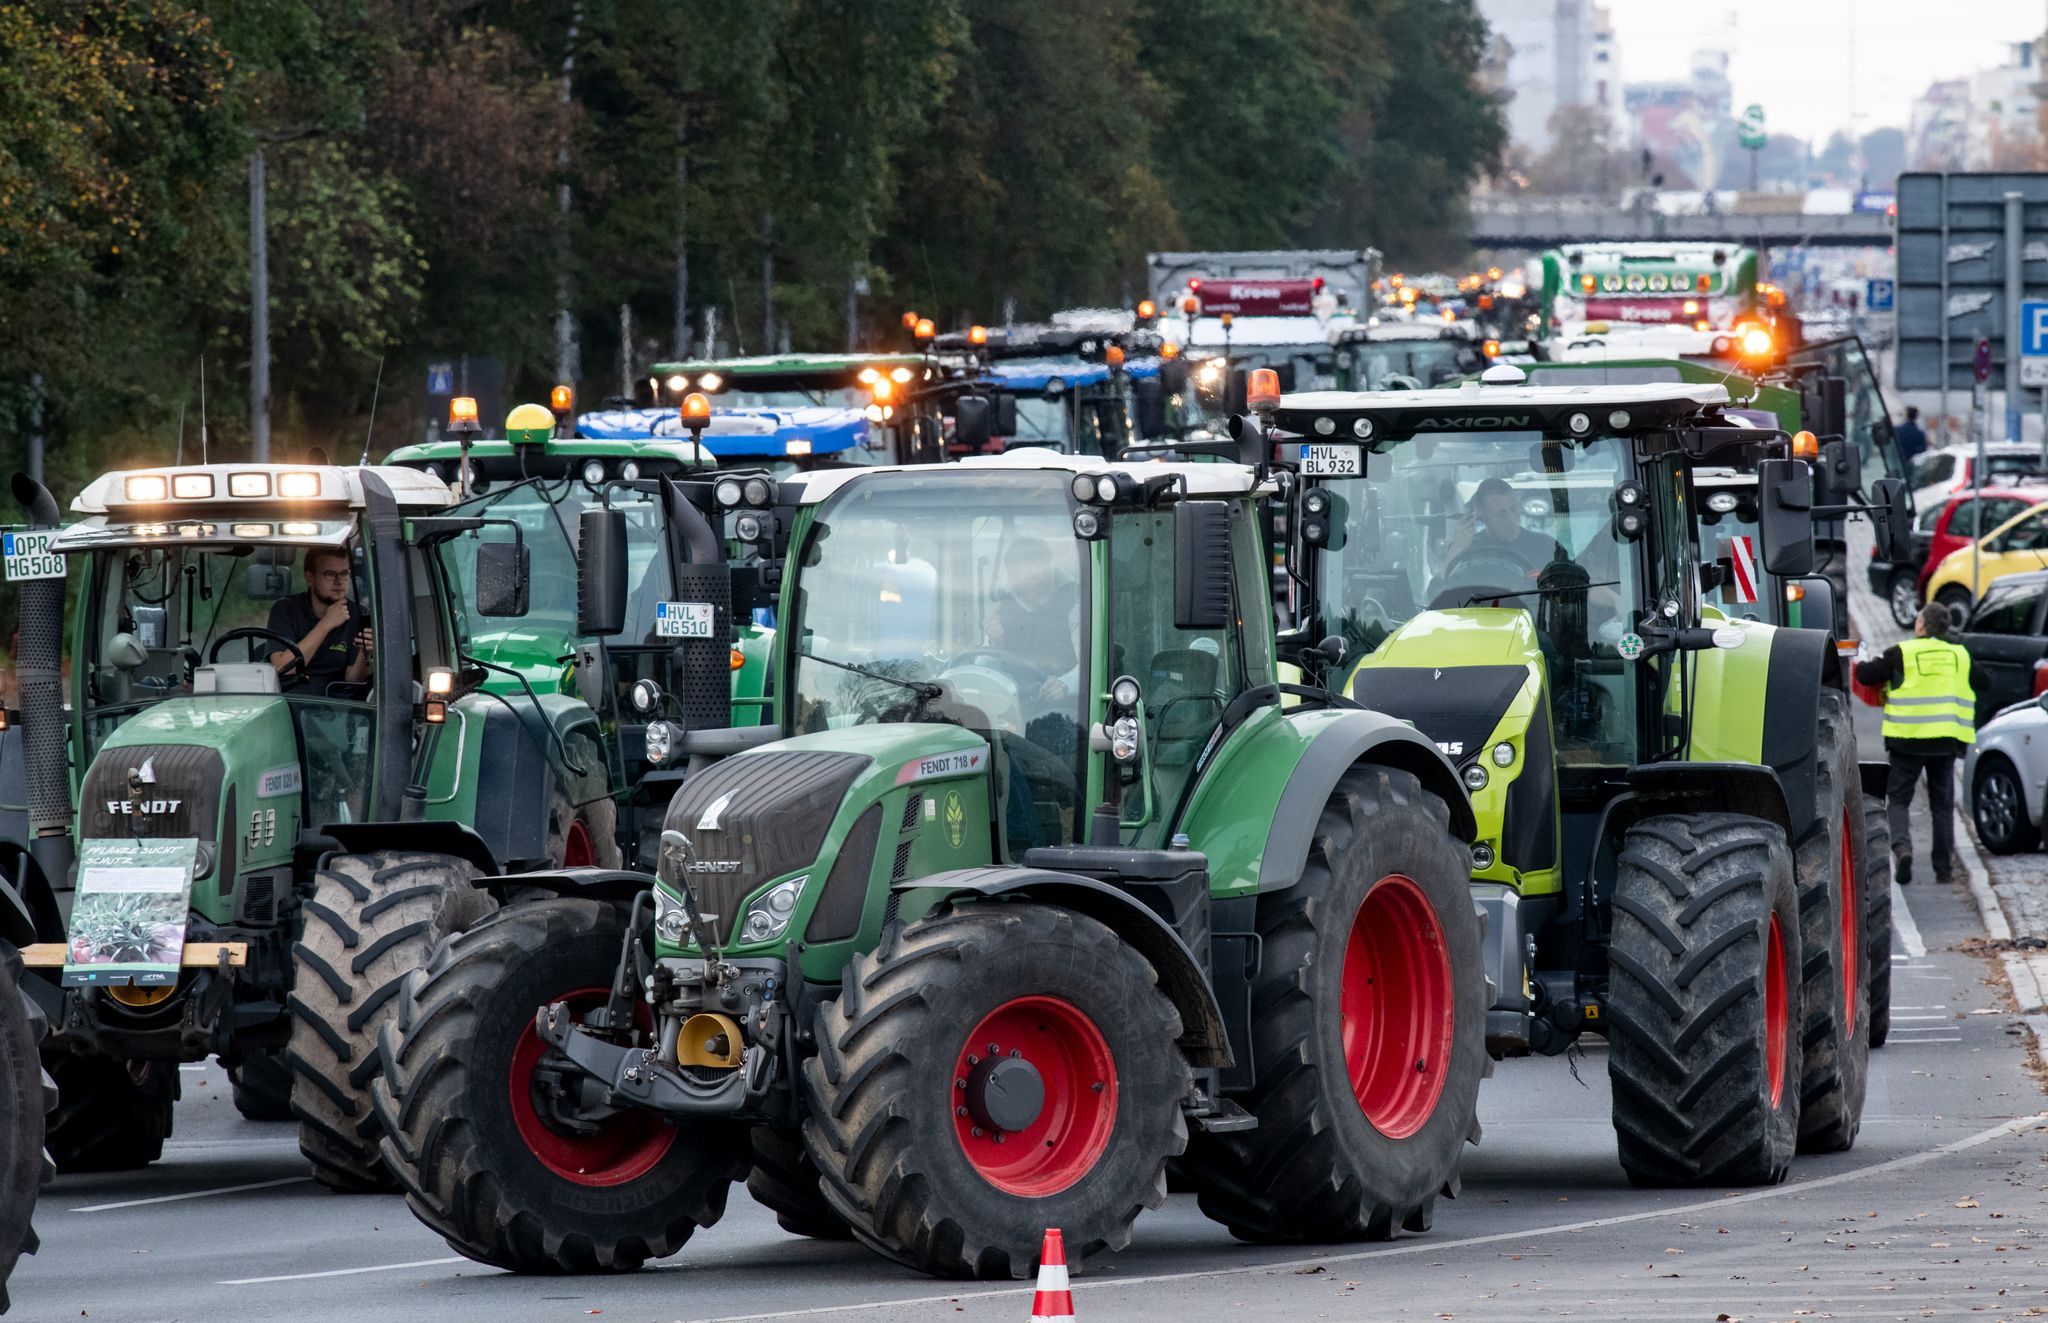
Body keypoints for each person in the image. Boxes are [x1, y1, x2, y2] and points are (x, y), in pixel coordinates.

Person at [1853, 601, 1986, 885]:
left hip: (1907, 740)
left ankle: (1903, 849)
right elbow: (1985, 682)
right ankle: (1944, 869)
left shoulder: (1901, 652)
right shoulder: (1959, 655)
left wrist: (1860, 659)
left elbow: (1865, 675)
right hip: (1945, 742)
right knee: (1942, 805)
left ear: (1922, 625)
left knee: (1899, 800)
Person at [983, 538, 1078, 701]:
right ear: (1013, 579)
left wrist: (1065, 685)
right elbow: (985, 669)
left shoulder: (1076, 602)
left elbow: (1093, 663)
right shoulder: (1003, 609)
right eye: (1032, 578)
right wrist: (994, 643)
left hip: (1068, 706)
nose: (1041, 583)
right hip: (1015, 701)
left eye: (1045, 576)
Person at [267, 547, 372, 693]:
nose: (339, 581)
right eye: (330, 574)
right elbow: (282, 668)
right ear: (309, 577)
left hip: (338, 701)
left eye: (344, 573)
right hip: (292, 698)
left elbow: (353, 681)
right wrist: (326, 624)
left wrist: (364, 654)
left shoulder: (358, 614)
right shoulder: (286, 609)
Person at [1437, 477, 1569, 584]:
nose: (1511, 519)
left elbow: (1572, 586)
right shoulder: (1467, 550)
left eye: (1513, 509)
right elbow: (1435, 595)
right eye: (1500, 514)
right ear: (1482, 516)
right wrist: (1457, 548)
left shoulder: (1546, 546)